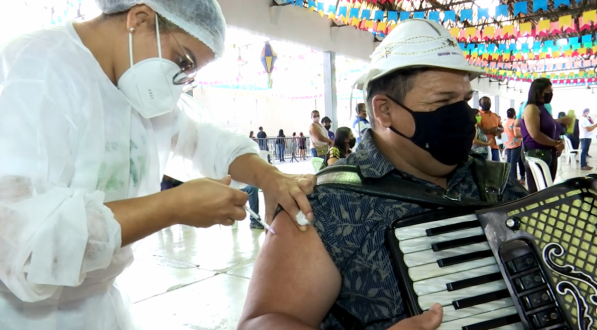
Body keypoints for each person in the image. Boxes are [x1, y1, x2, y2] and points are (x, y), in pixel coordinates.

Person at [0, 2, 317, 329]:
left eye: (190, 73)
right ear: (139, 19)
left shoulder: (134, 87)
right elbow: (20, 241)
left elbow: (206, 140)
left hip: (96, 311)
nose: (180, 80)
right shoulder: (36, 69)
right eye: (183, 61)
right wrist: (172, 206)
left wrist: (269, 176)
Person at [238, 18, 528, 330]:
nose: (462, 116)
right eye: (443, 102)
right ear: (384, 111)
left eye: (464, 100)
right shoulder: (325, 204)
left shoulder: (493, 179)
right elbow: (261, 323)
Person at [521, 78, 564, 193]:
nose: (551, 94)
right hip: (537, 153)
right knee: (537, 192)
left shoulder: (542, 108)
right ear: (538, 92)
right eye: (548, 92)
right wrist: (555, 143)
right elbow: (535, 134)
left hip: (547, 153)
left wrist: (557, 142)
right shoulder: (531, 108)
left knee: (546, 189)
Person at [504, 108, 525, 185]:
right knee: (513, 163)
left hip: (508, 144)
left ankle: (508, 179)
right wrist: (525, 135)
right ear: (514, 114)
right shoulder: (514, 122)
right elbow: (517, 134)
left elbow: (503, 135)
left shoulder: (504, 122)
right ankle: (514, 181)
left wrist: (505, 143)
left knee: (509, 162)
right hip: (516, 144)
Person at [478, 96, 503, 161]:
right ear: (480, 104)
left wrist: (498, 129)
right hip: (483, 147)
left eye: (489, 102)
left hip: (495, 146)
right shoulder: (478, 115)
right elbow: (477, 127)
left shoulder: (495, 115)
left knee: (496, 167)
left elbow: (502, 128)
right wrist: (489, 131)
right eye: (485, 102)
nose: (487, 103)